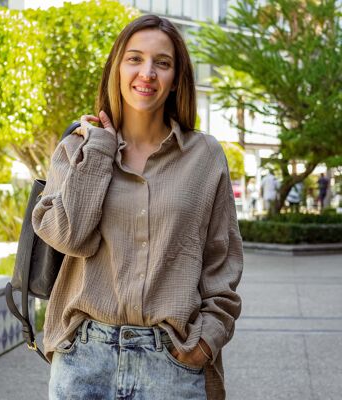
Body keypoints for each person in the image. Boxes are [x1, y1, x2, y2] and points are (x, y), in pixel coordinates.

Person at [32, 14, 243, 400]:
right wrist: (100, 149)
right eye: (135, 59)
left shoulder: (205, 156)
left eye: (161, 63)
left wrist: (207, 340)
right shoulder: (77, 150)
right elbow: (68, 237)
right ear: (116, 68)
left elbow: (222, 260)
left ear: (176, 78)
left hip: (172, 363)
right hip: (83, 361)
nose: (147, 72)